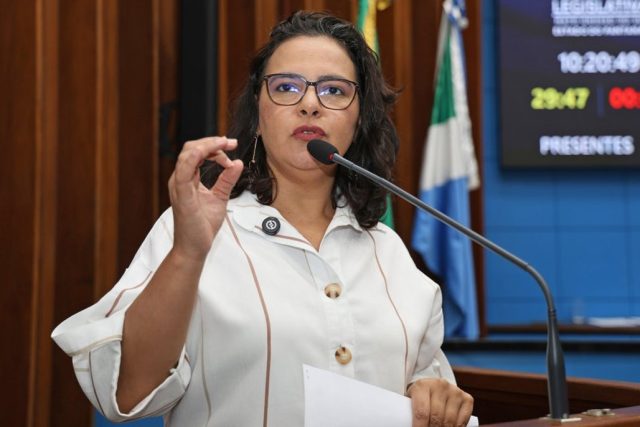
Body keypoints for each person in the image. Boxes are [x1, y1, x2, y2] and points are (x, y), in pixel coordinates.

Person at [52, 10, 473, 427]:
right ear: (258, 111)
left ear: (360, 117)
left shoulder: (389, 252)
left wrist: (432, 393)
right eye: (287, 87)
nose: (310, 104)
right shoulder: (194, 233)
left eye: (334, 91)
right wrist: (187, 253)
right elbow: (128, 391)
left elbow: (427, 386)